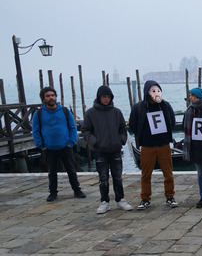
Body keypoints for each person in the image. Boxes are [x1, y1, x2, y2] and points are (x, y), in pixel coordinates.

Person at [81, 85, 132, 213]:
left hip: (115, 149)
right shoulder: (90, 113)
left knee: (118, 177)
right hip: (100, 151)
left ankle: (120, 199)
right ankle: (104, 201)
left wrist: (121, 140)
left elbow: (123, 128)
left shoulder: (117, 112)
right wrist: (94, 142)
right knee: (103, 178)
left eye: (108, 97)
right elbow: (85, 130)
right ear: (99, 97)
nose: (106, 99)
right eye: (104, 96)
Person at [129, 80, 178, 209]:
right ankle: (145, 198)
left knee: (168, 173)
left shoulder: (165, 105)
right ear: (147, 92)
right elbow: (132, 125)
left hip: (163, 145)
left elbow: (172, 121)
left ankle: (170, 196)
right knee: (146, 174)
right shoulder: (138, 107)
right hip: (147, 146)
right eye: (152, 90)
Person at [32, 86, 86, 202]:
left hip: (65, 146)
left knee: (71, 169)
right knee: (52, 172)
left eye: (52, 95)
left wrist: (71, 142)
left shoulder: (65, 111)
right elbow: (35, 131)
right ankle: (53, 193)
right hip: (49, 148)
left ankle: (77, 190)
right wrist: (41, 145)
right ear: (43, 99)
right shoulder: (39, 113)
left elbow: (72, 127)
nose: (51, 98)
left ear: (56, 97)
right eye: (48, 96)